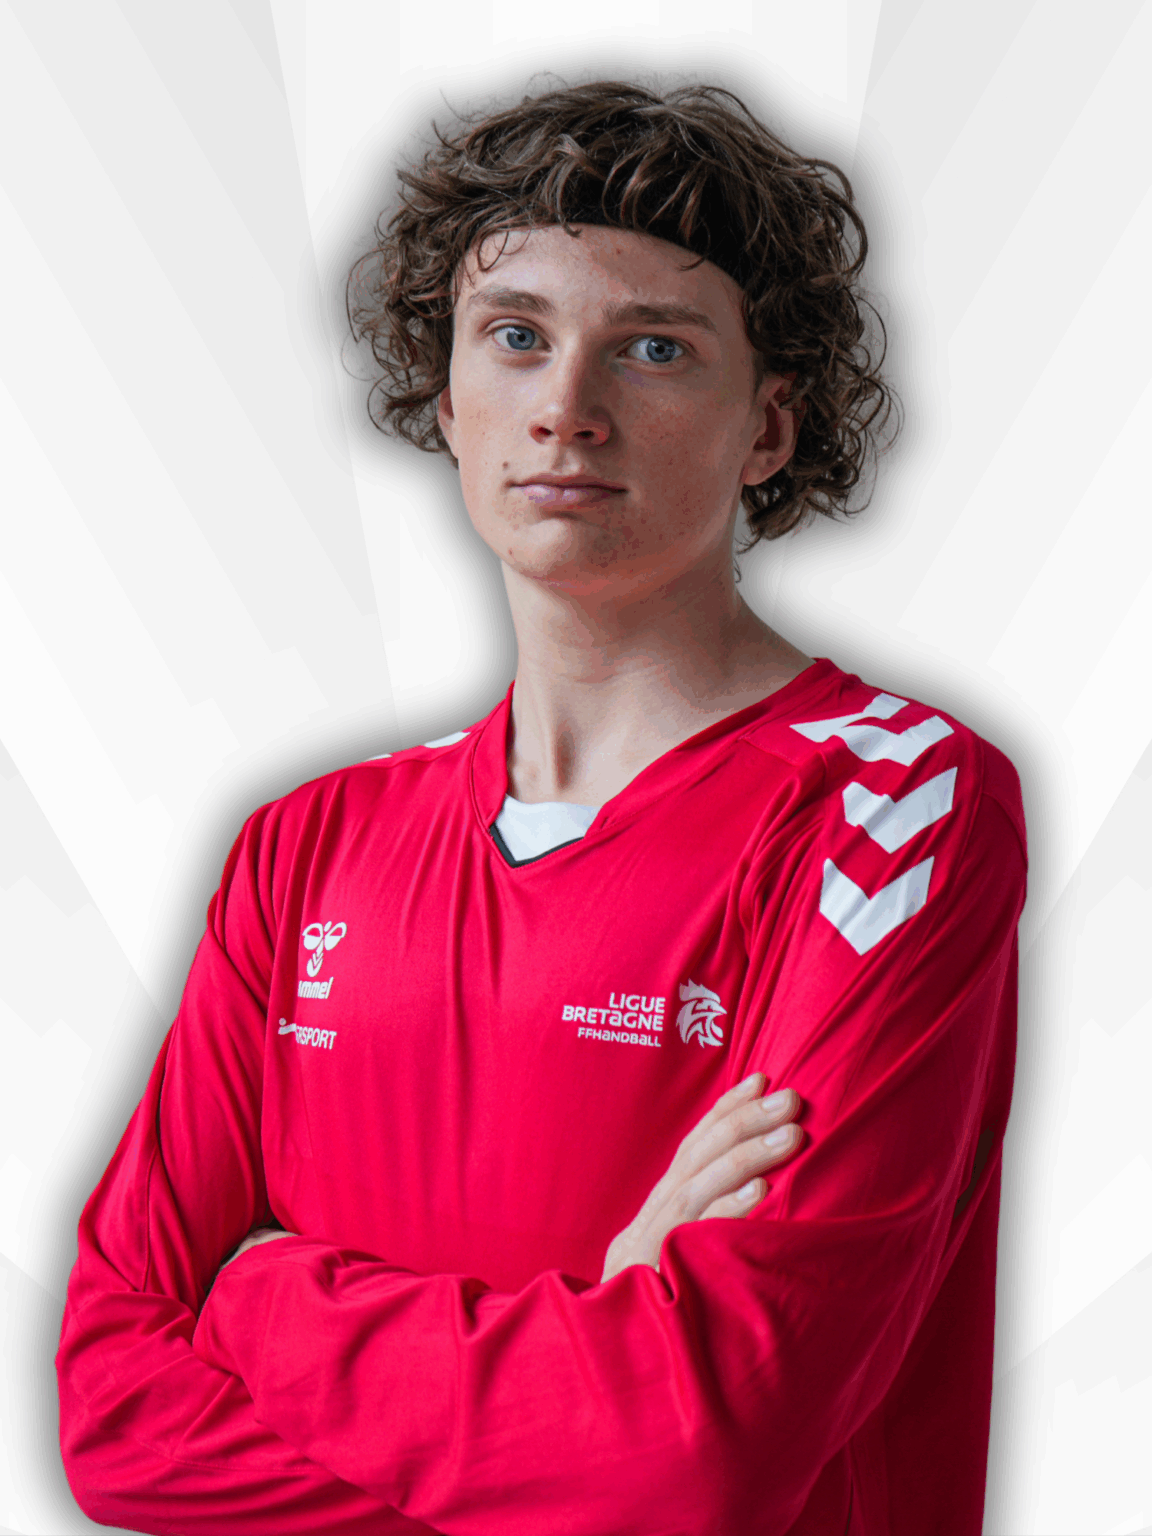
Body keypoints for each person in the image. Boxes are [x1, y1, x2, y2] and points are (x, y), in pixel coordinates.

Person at [55, 79, 1026, 1535]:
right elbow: (114, 1423)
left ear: (769, 426)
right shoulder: (304, 848)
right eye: (515, 336)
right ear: (448, 405)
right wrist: (594, 1348)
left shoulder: (890, 806)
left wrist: (260, 1300)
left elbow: (700, 1450)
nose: (567, 408)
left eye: (653, 347)